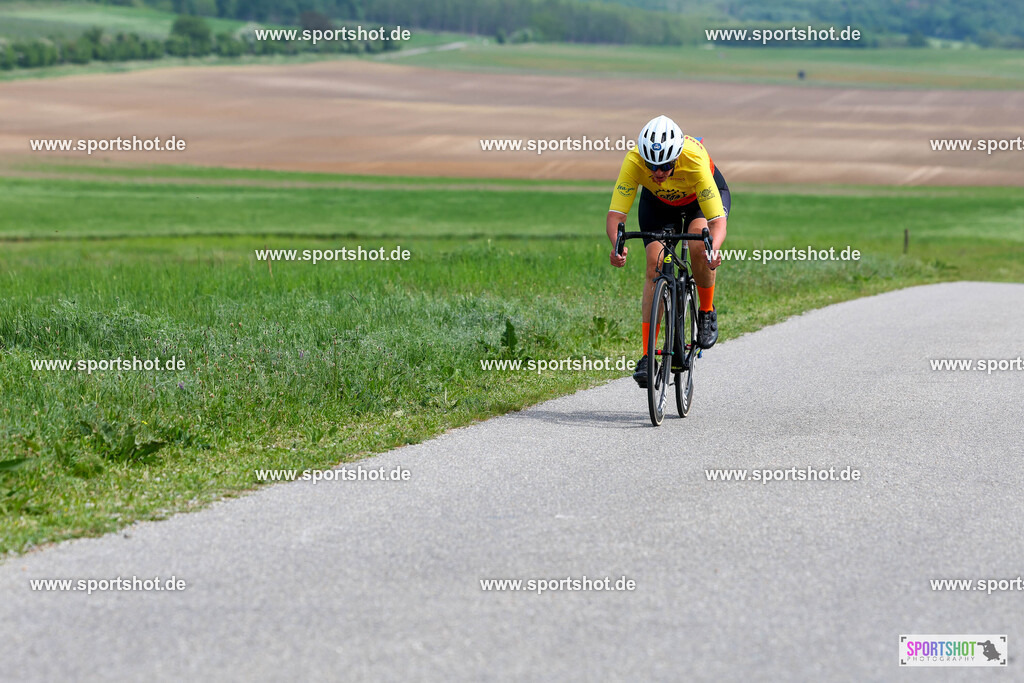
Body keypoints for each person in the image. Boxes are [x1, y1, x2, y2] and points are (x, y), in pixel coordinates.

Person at [606, 115, 731, 388]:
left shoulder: (694, 159)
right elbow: (616, 215)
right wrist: (618, 246)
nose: (659, 172)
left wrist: (714, 250)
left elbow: (717, 221)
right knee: (655, 264)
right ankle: (648, 355)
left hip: (700, 200)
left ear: (676, 157)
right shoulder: (633, 161)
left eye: (665, 166)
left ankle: (707, 311)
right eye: (652, 166)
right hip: (659, 204)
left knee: (700, 246)